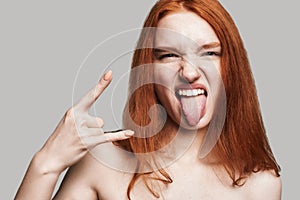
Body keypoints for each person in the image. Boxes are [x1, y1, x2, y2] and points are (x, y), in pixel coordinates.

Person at [15, 0, 281, 199]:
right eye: (168, 55)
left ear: (231, 66)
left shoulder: (262, 184)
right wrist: (46, 164)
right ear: (148, 70)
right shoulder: (102, 163)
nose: (189, 72)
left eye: (209, 53)